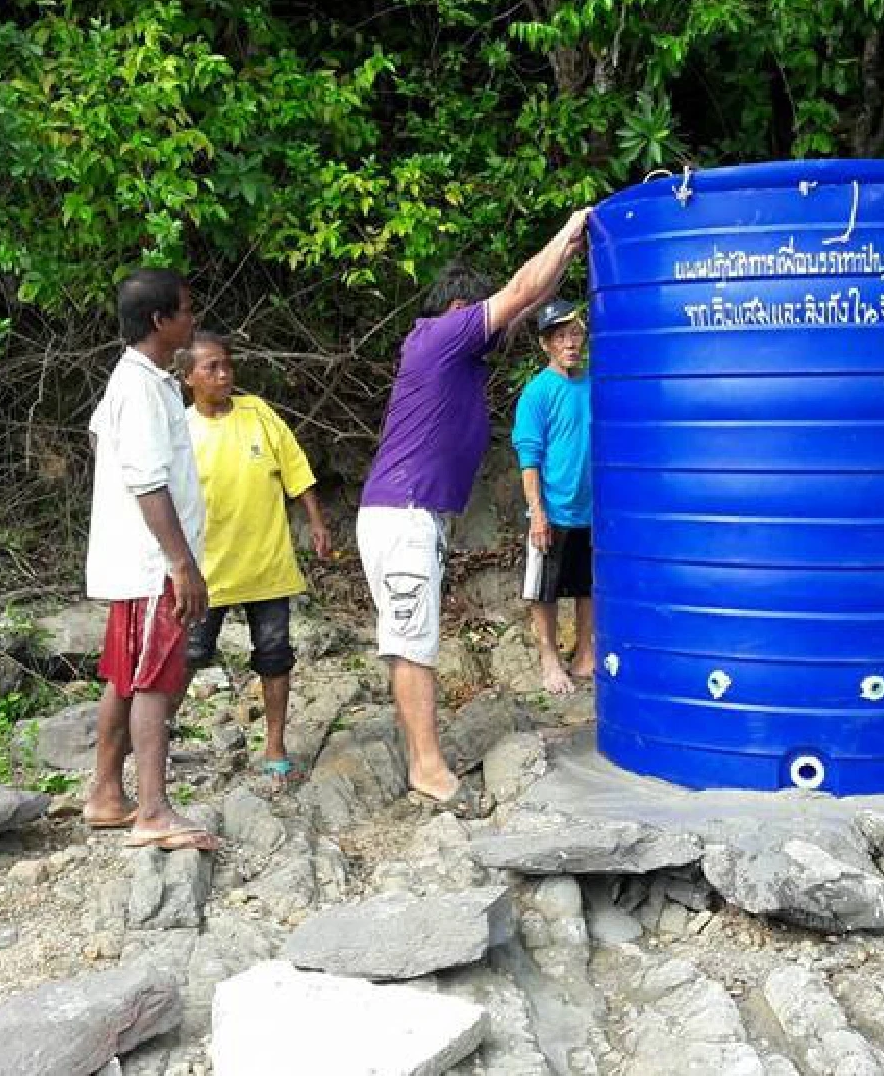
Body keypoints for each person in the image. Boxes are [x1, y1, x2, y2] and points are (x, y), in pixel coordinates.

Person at [357, 208, 590, 815]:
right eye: (490, 320)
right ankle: (428, 768)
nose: (504, 332)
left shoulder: (446, 354)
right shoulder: (442, 335)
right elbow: (521, 292)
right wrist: (569, 231)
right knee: (413, 643)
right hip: (403, 514)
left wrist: (566, 257)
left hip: (411, 515)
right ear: (463, 310)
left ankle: (421, 757)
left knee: (408, 638)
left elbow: (527, 295)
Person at [82, 267, 218, 851]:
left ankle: (107, 794)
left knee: (124, 675)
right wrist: (180, 562)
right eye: (186, 310)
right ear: (160, 320)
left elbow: (98, 438)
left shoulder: (145, 379)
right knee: (153, 680)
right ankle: (153, 811)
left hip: (135, 558)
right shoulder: (138, 385)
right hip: (149, 564)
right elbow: (147, 482)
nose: (193, 319)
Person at [174, 334, 331, 792]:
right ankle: (157, 738)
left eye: (227, 366)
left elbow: (296, 469)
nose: (224, 375)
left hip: (267, 566)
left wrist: (316, 523)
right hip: (209, 572)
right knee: (189, 655)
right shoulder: (180, 430)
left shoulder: (258, 413)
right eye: (211, 369)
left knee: (275, 656)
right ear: (188, 379)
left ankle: (276, 746)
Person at [511, 299, 594, 694]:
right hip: (553, 507)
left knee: (588, 585)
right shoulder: (537, 392)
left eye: (576, 334)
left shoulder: (595, 383)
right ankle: (549, 660)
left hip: (593, 508)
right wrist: (537, 513)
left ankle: (585, 654)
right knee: (543, 590)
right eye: (561, 336)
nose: (571, 343)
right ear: (546, 344)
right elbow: (529, 457)